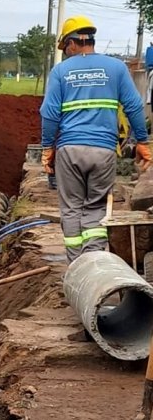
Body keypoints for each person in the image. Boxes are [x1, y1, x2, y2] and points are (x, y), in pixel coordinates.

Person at [40, 15, 152, 263]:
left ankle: (76, 264)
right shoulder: (116, 68)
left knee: (71, 208)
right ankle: (95, 262)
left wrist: (48, 147)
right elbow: (134, 106)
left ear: (71, 43)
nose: (66, 53)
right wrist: (142, 142)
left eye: (65, 49)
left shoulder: (61, 72)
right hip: (103, 151)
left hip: (70, 150)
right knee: (96, 208)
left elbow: (49, 113)